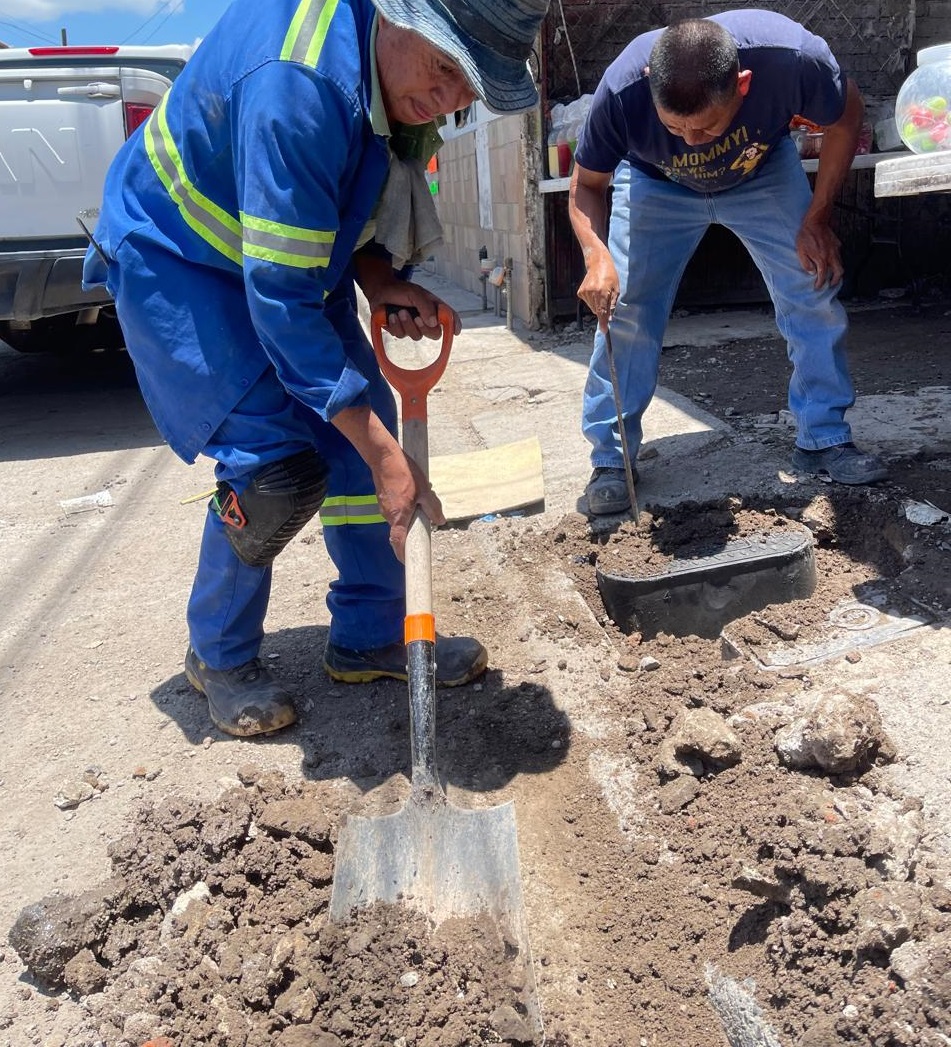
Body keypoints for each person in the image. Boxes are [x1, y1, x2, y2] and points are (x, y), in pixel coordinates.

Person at [82, 0, 551, 736]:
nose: (448, 97)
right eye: (443, 66)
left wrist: (378, 278)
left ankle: (373, 632)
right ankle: (219, 655)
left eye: (469, 84)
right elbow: (281, 303)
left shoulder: (382, 67)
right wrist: (388, 458)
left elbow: (332, 203)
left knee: (363, 441)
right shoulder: (296, 85)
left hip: (285, 264)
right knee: (271, 468)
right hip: (178, 258)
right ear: (396, 16)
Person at [568, 9, 888, 517]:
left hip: (761, 171)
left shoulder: (793, 60)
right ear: (651, 82)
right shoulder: (623, 89)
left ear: (743, 84)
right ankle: (611, 458)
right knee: (625, 307)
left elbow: (846, 116)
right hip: (654, 183)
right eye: (675, 126)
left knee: (810, 286)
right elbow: (586, 185)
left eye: (707, 126)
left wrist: (818, 216)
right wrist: (596, 254)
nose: (692, 141)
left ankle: (823, 437)